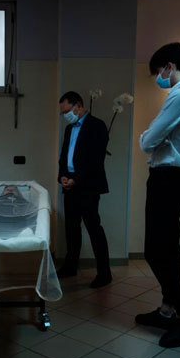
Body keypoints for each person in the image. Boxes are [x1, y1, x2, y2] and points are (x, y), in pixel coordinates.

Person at [135, 42, 180, 348]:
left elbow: (147, 141)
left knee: (157, 251)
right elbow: (156, 138)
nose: (158, 78)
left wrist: (149, 136)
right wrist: (153, 137)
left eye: (158, 72)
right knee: (164, 248)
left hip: (168, 179)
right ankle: (167, 310)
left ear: (170, 66)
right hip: (169, 179)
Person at [56, 91, 112, 288]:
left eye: (67, 111)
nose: (65, 115)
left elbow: (96, 160)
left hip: (88, 186)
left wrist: (76, 180)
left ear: (78, 105)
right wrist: (62, 176)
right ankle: (70, 266)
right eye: (63, 113)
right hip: (70, 186)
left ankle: (104, 273)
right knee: (71, 229)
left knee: (94, 229)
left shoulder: (97, 126)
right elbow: (64, 156)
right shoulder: (69, 129)